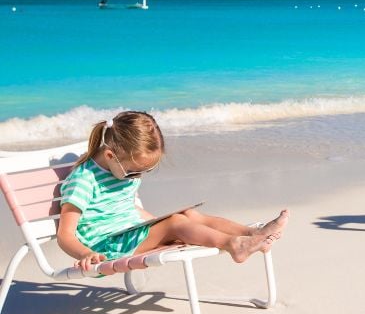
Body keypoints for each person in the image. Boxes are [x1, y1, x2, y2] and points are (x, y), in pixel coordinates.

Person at [58, 111, 290, 270]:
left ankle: (251, 234)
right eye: (133, 172)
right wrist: (85, 255)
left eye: (143, 172)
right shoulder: (84, 181)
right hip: (105, 248)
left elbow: (129, 210)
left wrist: (160, 224)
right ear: (110, 156)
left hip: (127, 235)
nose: (136, 178)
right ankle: (235, 246)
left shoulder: (119, 168)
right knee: (176, 223)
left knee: (188, 216)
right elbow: (65, 235)